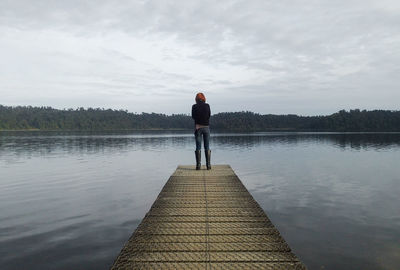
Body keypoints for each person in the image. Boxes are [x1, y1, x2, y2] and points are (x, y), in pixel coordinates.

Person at [192, 92, 211, 170]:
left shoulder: (194, 106)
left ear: (196, 99)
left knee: (198, 147)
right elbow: (209, 115)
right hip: (206, 127)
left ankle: (198, 165)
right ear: (203, 98)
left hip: (198, 128)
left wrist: (198, 121)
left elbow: (193, 116)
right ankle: (208, 165)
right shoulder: (207, 105)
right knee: (207, 146)